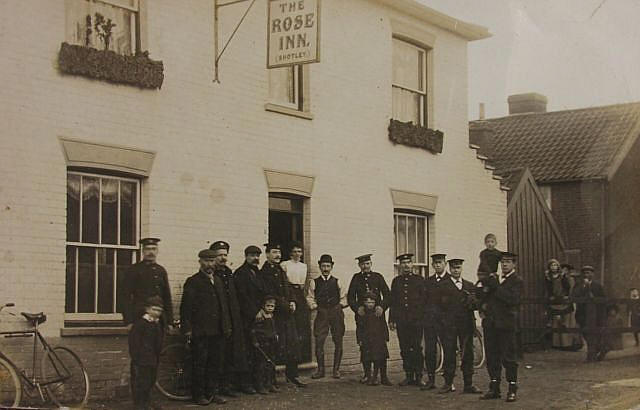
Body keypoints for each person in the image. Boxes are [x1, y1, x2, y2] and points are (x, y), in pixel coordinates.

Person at [180, 249, 231, 406]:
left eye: (212, 261)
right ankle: (199, 395)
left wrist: (227, 326)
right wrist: (187, 330)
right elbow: (186, 308)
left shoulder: (218, 281)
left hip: (218, 330)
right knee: (200, 363)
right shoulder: (193, 281)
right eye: (206, 261)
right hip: (201, 331)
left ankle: (212, 393)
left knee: (215, 363)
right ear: (200, 262)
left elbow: (224, 306)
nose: (210, 264)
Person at [478, 251, 523, 403]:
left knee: (509, 357)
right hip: (491, 324)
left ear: (514, 264)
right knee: (492, 356)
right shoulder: (494, 280)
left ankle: (512, 388)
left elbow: (512, 300)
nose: (504, 264)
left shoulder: (517, 281)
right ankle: (494, 387)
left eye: (508, 262)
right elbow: (484, 298)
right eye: (502, 262)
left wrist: (496, 286)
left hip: (506, 325)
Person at [260, 243, 306, 387]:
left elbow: (288, 287)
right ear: (267, 254)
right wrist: (286, 305)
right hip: (276, 315)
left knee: (292, 344)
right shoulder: (265, 272)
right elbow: (269, 293)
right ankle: (270, 380)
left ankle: (292, 376)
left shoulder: (280, 269)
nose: (277, 255)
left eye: (279, 252)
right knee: (274, 346)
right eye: (274, 252)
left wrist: (292, 300)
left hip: (287, 314)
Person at [209, 241, 249, 397]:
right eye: (220, 255)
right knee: (218, 355)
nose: (223, 258)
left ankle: (226, 386)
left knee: (229, 354)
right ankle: (216, 388)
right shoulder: (211, 274)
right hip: (217, 321)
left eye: (225, 254)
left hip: (231, 319)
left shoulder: (228, 273)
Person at [438, 258, 482, 394]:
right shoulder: (443, 286)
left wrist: (474, 302)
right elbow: (439, 306)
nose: (456, 270)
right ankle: (448, 383)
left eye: (458, 268)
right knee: (450, 353)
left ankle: (468, 384)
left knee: (467, 353)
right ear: (449, 269)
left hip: (466, 325)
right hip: (449, 325)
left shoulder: (469, 285)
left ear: (461, 269)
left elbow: (477, 305)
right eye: (453, 268)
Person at [347, 253, 391, 385]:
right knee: (365, 346)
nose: (365, 266)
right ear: (359, 265)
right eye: (362, 264)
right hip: (363, 317)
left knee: (380, 346)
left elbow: (388, 295)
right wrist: (357, 308)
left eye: (367, 264)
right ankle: (367, 375)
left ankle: (383, 376)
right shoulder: (356, 278)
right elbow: (350, 297)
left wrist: (382, 307)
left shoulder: (378, 277)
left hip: (377, 317)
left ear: (371, 264)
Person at [306, 254, 347, 379]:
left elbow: (344, 297)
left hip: (336, 313)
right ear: (319, 266)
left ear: (332, 267)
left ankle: (336, 370)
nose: (325, 268)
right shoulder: (314, 282)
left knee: (338, 340)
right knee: (319, 341)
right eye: (323, 266)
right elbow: (309, 297)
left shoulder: (338, 281)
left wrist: (339, 306)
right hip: (322, 314)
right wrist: (315, 307)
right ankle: (321, 370)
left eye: (328, 266)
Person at [388, 253, 426, 387]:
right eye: (403, 263)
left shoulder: (420, 280)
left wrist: (423, 318)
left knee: (416, 347)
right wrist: (391, 319)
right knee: (404, 348)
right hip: (402, 321)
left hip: (416, 321)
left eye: (408, 262)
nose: (406, 265)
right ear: (400, 265)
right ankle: (409, 375)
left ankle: (419, 376)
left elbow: (424, 301)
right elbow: (393, 302)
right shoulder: (396, 281)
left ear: (412, 264)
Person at [234, 245, 266, 392]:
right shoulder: (240, 274)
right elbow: (242, 297)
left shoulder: (258, 273)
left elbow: (263, 293)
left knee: (258, 351)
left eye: (258, 255)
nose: (256, 258)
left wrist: (263, 310)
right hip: (246, 318)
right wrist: (254, 312)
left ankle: (258, 382)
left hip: (259, 317)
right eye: (252, 255)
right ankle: (246, 384)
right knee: (246, 350)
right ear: (246, 256)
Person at [123, 238, 173, 330]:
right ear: (143, 251)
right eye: (148, 249)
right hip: (140, 317)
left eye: (154, 249)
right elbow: (125, 296)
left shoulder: (161, 270)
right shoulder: (134, 270)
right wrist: (128, 321)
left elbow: (167, 297)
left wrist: (170, 321)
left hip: (159, 319)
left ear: (157, 251)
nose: (151, 252)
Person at [128, 295, 164, 410]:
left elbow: (158, 341)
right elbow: (134, 342)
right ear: (147, 309)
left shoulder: (157, 324)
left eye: (159, 310)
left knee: (150, 381)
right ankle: (140, 404)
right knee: (141, 382)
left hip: (153, 358)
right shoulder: (141, 324)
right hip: (141, 359)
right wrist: (136, 357)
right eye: (154, 309)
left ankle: (148, 402)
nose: (157, 312)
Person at [421, 253, 449, 391]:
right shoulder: (428, 281)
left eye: (440, 262)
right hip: (430, 321)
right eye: (435, 263)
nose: (438, 265)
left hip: (446, 322)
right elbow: (423, 301)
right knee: (430, 350)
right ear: (432, 265)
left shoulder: (451, 280)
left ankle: (448, 381)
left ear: (445, 264)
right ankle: (431, 380)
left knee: (449, 350)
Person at [281, 242, 312, 365]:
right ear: (290, 253)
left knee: (301, 323)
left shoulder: (303, 266)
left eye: (299, 251)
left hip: (299, 292)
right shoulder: (285, 264)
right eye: (294, 251)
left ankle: (301, 356)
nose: (297, 254)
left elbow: (303, 283)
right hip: (289, 290)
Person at [573, 265, 606, 362]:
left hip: (595, 314)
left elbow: (603, 299)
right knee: (585, 333)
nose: (586, 275)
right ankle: (595, 351)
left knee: (595, 333)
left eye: (588, 272)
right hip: (582, 313)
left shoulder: (598, 286)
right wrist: (584, 287)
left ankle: (592, 354)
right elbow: (574, 296)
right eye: (584, 273)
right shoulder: (578, 285)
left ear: (593, 274)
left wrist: (594, 297)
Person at [358, 292, 390, 386]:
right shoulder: (362, 314)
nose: (370, 304)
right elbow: (359, 327)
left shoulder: (378, 313)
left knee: (378, 358)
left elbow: (383, 325)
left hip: (378, 340)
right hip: (366, 340)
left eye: (372, 302)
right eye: (368, 302)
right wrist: (359, 339)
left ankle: (377, 377)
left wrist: (385, 337)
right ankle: (368, 376)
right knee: (366, 359)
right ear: (364, 303)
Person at [251, 295, 279, 395]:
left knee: (271, 363)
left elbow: (273, 328)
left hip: (271, 342)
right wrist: (255, 341)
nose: (270, 308)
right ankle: (260, 385)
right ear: (263, 306)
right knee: (261, 364)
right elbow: (254, 330)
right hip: (262, 343)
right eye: (268, 306)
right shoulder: (260, 316)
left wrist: (275, 334)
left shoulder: (272, 316)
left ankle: (270, 383)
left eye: (272, 306)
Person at [544, 258, 573, 349]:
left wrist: (566, 295)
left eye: (555, 265)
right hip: (553, 299)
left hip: (562, 298)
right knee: (555, 320)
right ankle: (556, 343)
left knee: (564, 320)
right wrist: (550, 295)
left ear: (558, 266)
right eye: (552, 265)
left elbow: (567, 287)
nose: (553, 267)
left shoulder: (562, 276)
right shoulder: (548, 277)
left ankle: (566, 343)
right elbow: (548, 288)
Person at [563, 264, 584, 351]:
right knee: (567, 323)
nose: (564, 271)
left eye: (565, 270)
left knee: (572, 322)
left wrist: (570, 298)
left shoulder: (571, 279)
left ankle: (575, 343)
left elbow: (572, 290)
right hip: (566, 302)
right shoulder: (562, 279)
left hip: (572, 302)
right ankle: (568, 343)